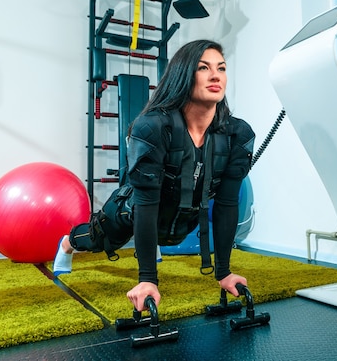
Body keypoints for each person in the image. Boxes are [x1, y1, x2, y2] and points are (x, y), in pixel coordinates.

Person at [53, 39, 255, 313]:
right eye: (203, 68)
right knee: (98, 239)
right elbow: (146, 203)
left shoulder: (237, 134)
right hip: (133, 210)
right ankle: (67, 243)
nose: (215, 75)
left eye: (221, 67)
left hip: (182, 219)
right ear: (183, 74)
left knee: (175, 225)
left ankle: (155, 245)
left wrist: (224, 272)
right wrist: (147, 279)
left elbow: (227, 204)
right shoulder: (153, 127)